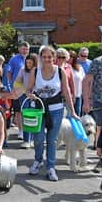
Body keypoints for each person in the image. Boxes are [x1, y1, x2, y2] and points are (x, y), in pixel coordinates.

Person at [26, 45, 79, 181]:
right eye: (44, 57)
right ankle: (38, 161)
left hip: (56, 108)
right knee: (38, 138)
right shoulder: (35, 71)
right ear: (40, 58)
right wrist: (30, 95)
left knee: (52, 139)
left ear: (54, 58)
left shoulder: (60, 72)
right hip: (38, 108)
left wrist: (72, 112)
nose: (47, 59)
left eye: (49, 57)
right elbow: (28, 89)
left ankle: (50, 167)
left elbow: (66, 92)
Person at [9, 53, 38, 148]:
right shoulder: (22, 70)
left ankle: (33, 139)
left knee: (34, 118)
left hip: (35, 96)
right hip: (24, 96)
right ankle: (26, 140)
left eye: (30, 63)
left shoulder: (39, 71)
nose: (28, 65)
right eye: (27, 63)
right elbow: (16, 83)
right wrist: (25, 91)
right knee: (25, 117)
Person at [69, 50, 85, 116]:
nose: (69, 58)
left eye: (71, 56)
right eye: (69, 56)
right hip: (67, 97)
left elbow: (84, 81)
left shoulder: (79, 68)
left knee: (77, 115)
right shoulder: (63, 68)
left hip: (78, 96)